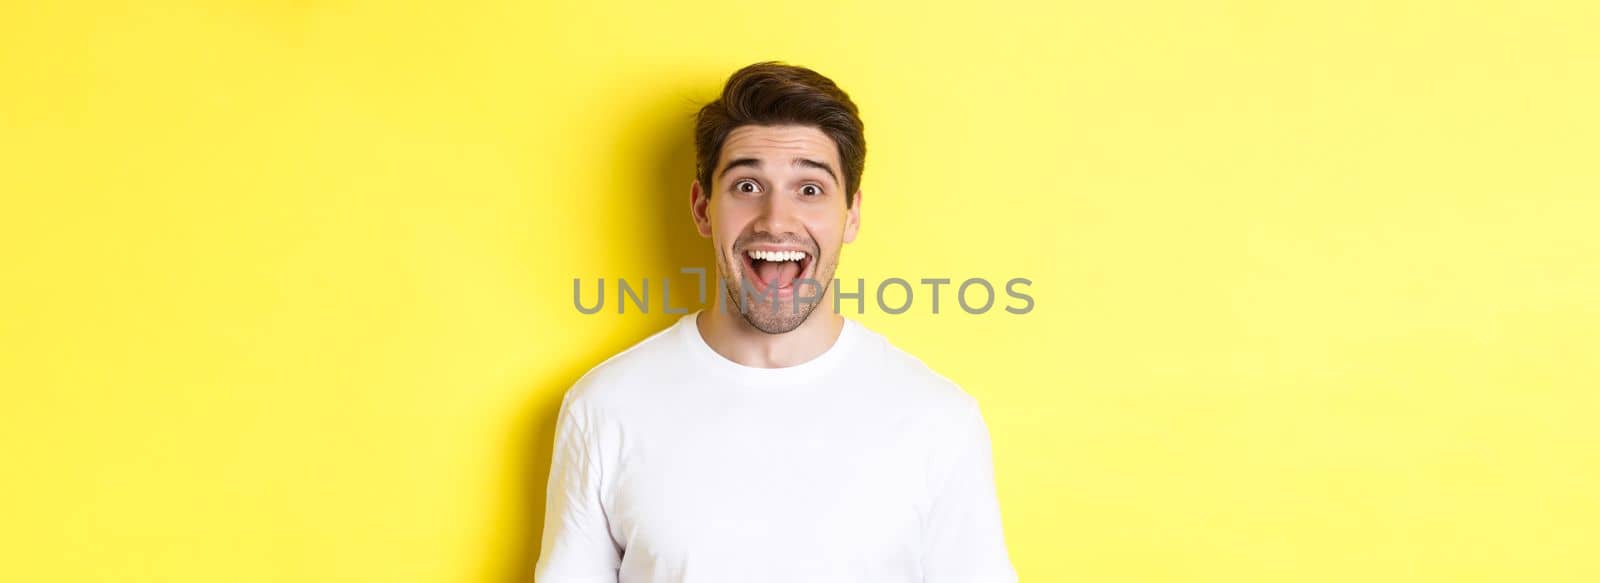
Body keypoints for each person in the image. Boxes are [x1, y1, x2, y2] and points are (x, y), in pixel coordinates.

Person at [535, 61, 1017, 583]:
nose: (776, 220)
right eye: (747, 186)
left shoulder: (940, 421)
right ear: (702, 208)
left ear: (851, 214)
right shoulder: (605, 408)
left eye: (809, 189)